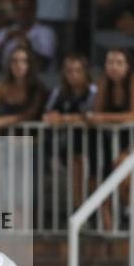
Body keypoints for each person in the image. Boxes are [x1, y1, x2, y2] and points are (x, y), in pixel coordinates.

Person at [88, 49, 134, 231]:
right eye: (110, 62)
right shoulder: (104, 83)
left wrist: (102, 118)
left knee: (123, 167)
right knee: (100, 182)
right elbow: (96, 113)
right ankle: (110, 232)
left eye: (119, 62)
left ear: (128, 66)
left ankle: (132, 215)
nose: (113, 67)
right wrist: (99, 116)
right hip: (113, 139)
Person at [42, 53, 97, 209]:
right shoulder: (59, 92)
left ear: (85, 72)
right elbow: (47, 114)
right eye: (69, 71)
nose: (73, 75)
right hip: (69, 144)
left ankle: (94, 214)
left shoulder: (94, 91)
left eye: (78, 71)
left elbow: (91, 115)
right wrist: (54, 117)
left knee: (94, 181)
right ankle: (80, 210)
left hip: (93, 144)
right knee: (76, 172)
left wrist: (64, 118)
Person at [0, 45, 47, 131]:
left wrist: (3, 121)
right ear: (9, 64)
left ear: (29, 64)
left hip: (31, 135)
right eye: (14, 61)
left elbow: (30, 115)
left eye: (23, 61)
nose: (19, 65)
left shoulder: (37, 87)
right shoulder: (3, 85)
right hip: (6, 134)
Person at [0, 0, 57, 71]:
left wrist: (27, 46)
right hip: (6, 76)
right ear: (14, 11)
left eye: (27, 8)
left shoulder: (46, 32)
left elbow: (44, 65)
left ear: (34, 10)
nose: (23, 13)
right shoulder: (4, 32)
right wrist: (4, 42)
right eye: (18, 9)